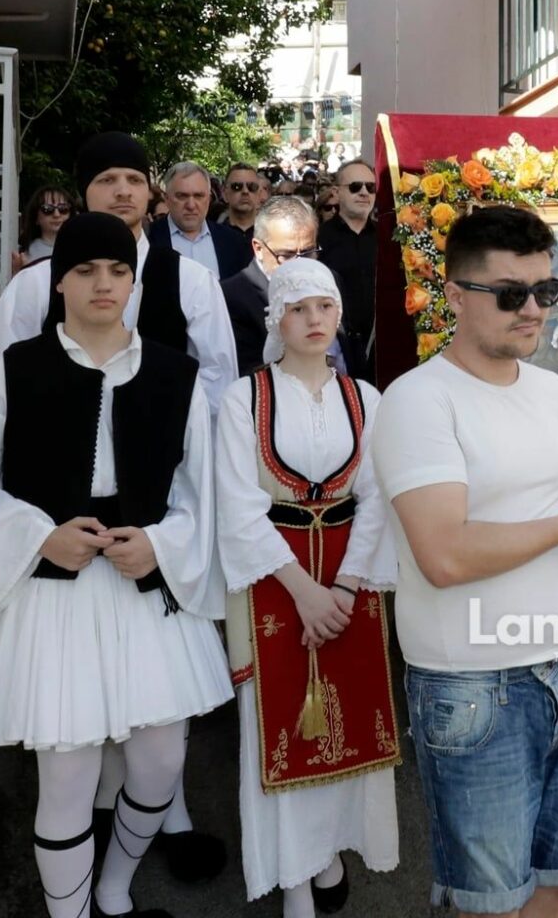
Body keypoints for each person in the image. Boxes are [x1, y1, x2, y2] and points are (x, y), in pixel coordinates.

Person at [0, 212, 231, 918]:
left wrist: (160, 543)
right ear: (58, 282)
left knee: (160, 764)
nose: (104, 283)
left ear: (134, 283)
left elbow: (201, 494)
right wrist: (40, 536)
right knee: (67, 776)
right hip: (53, 598)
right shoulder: (13, 372)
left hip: (144, 591)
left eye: (118, 270)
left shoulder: (177, 376)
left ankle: (114, 891)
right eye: (86, 270)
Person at [374, 206, 558, 916]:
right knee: (490, 901)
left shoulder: (550, 388)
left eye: (545, 290)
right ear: (455, 294)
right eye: (510, 294)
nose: (533, 309)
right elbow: (444, 554)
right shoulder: (417, 401)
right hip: (475, 682)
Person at [215, 258, 400, 918]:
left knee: (349, 721)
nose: (313, 319)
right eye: (298, 309)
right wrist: (306, 592)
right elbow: (238, 507)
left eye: (324, 306)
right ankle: (294, 876)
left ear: (339, 315)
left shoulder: (367, 399)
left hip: (351, 579)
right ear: (277, 320)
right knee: (280, 730)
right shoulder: (243, 399)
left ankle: (328, 854)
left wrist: (344, 587)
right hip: (274, 581)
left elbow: (377, 498)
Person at [0, 132, 238, 415]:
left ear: (149, 192)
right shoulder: (36, 283)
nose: (123, 191)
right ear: (84, 190)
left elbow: (218, 382)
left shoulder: (192, 281)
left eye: (134, 180)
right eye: (107, 180)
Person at [220, 195, 355, 377]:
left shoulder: (330, 280)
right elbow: (249, 374)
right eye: (287, 255)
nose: (298, 264)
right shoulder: (231, 297)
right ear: (258, 248)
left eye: (308, 252)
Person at [317, 160, 377, 379]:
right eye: (355, 186)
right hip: (333, 349)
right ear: (336, 192)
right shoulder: (319, 238)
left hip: (377, 349)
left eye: (370, 187)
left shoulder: (387, 239)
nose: (364, 193)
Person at [151, 161, 252, 280]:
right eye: (182, 196)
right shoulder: (148, 239)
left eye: (198, 196)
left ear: (209, 199)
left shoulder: (233, 242)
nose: (191, 205)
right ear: (167, 199)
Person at [15, 185, 77, 272]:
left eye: (63, 208)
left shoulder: (81, 248)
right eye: (47, 209)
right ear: (36, 217)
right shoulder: (24, 253)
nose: (57, 215)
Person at [221, 162, 265, 241]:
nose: (245, 191)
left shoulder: (271, 235)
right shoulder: (212, 236)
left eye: (252, 187)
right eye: (237, 186)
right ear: (225, 194)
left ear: (259, 194)